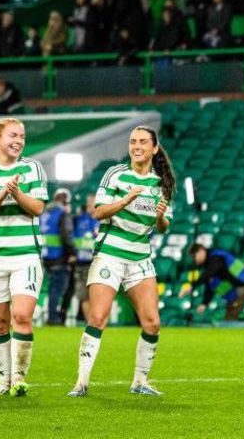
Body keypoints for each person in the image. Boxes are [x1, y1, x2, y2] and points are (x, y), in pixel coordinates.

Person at [69, 125, 175, 398]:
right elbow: (98, 212)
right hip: (110, 254)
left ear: (154, 148)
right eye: (132, 142)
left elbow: (162, 227)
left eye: (142, 142)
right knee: (98, 316)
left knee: (152, 323)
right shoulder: (115, 174)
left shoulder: (161, 183)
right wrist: (125, 200)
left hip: (140, 257)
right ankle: (81, 382)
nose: (136, 146)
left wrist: (161, 216)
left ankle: (140, 381)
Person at [0, 118, 48, 396]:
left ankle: (19, 378)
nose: (19, 140)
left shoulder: (32, 168)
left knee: (22, 315)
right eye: (14, 135)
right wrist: (4, 192)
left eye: (22, 136)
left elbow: (38, 208)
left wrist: (17, 194)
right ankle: (3, 380)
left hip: (25, 254)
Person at [185, 243, 244, 320]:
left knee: (230, 320)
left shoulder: (216, 256)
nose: (194, 260)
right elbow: (209, 284)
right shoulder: (210, 263)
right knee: (229, 319)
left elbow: (210, 273)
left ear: (201, 251)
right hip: (235, 292)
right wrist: (204, 303)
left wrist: (193, 285)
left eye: (194, 256)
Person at [41, 189, 75, 326]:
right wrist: (72, 252)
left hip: (46, 255)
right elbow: (66, 234)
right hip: (59, 256)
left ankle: (52, 316)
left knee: (52, 288)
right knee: (57, 289)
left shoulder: (45, 213)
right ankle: (53, 318)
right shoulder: (62, 214)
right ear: (65, 202)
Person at [66, 196, 99, 324]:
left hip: (98, 262)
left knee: (98, 296)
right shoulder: (78, 219)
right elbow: (69, 235)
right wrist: (72, 253)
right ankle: (90, 323)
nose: (91, 205)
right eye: (89, 203)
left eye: (93, 203)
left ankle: (98, 323)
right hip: (81, 263)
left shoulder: (105, 220)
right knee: (84, 296)